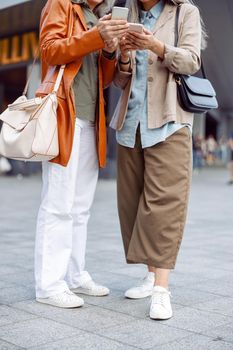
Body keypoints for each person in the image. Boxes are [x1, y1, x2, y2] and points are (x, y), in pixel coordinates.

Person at [111, 0, 205, 320]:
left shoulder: (185, 12)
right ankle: (150, 277)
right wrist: (123, 54)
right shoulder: (125, 14)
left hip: (169, 121)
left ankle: (162, 290)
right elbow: (119, 80)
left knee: (165, 204)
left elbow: (192, 61)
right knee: (135, 203)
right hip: (131, 122)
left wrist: (157, 45)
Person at [34, 0, 129, 308]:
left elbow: (101, 77)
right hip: (65, 115)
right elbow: (49, 51)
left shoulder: (95, 14)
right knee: (58, 204)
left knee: (80, 206)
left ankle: (74, 275)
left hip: (90, 118)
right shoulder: (61, 4)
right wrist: (95, 36)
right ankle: (49, 285)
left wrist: (110, 49)